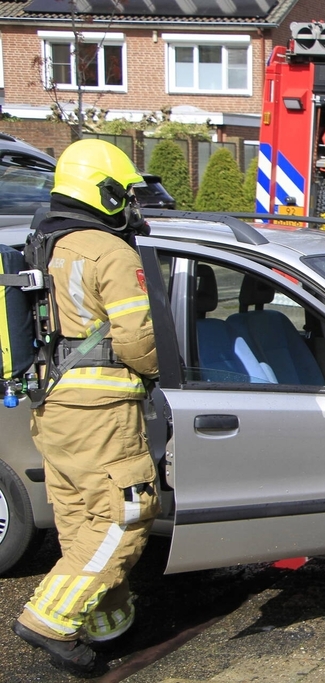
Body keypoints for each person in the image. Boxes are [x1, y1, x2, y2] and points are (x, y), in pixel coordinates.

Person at [12, 139, 160, 674]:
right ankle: (47, 620)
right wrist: (165, 377)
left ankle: (106, 623)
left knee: (80, 520)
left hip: (53, 407)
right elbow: (140, 340)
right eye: (124, 194)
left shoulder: (43, 245)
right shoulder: (111, 253)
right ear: (105, 192)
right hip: (102, 412)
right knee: (124, 516)